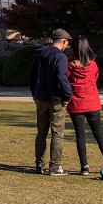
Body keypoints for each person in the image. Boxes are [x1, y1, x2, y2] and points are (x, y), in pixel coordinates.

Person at [67, 36, 103, 176]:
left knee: (80, 135)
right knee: (98, 133)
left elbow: (66, 80)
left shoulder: (69, 64)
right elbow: (95, 78)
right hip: (92, 102)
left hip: (76, 103)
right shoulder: (93, 65)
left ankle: (84, 166)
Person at [28, 28, 74, 176]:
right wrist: (67, 95)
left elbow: (32, 74)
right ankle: (54, 166)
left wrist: (34, 93)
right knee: (57, 133)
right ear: (64, 42)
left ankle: (39, 164)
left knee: (41, 132)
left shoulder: (40, 53)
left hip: (40, 98)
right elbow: (62, 78)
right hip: (55, 99)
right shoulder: (60, 57)